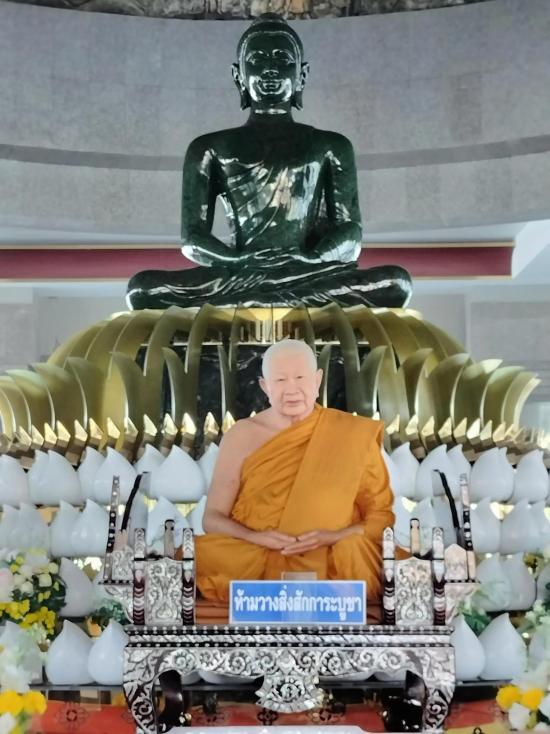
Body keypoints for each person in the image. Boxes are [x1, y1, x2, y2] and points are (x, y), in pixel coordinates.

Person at [126, 14, 412, 310]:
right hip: (238, 271)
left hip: (305, 269)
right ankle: (272, 298)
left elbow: (350, 233)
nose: (270, 69)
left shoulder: (332, 145)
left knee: (395, 282)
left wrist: (312, 258)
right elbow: (193, 238)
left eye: (282, 59)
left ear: (302, 74)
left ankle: (253, 301)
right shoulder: (209, 147)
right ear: (238, 75)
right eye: (257, 59)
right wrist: (237, 259)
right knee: (142, 288)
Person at [195, 339, 395, 603]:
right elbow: (212, 519)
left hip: (331, 554)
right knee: (199, 554)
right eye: (280, 380)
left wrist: (333, 536)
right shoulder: (242, 435)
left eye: (300, 378)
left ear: (317, 380)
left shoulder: (351, 434)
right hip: (257, 553)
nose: (291, 389)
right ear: (265, 386)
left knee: (354, 551)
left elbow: (381, 517)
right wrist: (255, 537)